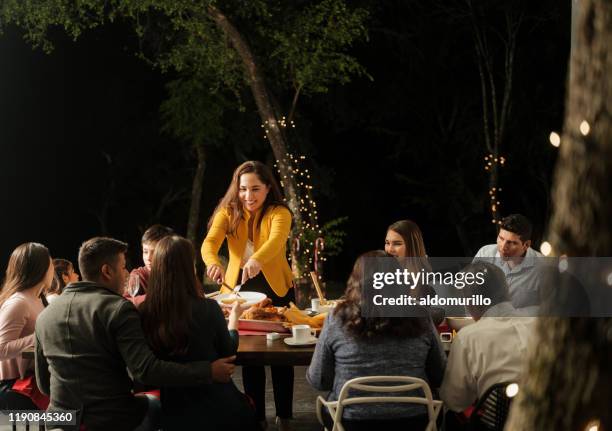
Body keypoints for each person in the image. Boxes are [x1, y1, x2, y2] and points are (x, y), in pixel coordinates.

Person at [35, 237, 237, 431]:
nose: (126, 274)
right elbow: (146, 371)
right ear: (107, 271)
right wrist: (207, 371)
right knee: (159, 406)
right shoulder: (117, 308)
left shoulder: (44, 316)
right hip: (112, 420)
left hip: (60, 422)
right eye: (123, 267)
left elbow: (44, 385)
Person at [307, 251, 447, 431]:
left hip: (350, 422)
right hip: (416, 421)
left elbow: (319, 380)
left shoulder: (336, 318)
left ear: (356, 281)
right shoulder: (421, 316)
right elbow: (440, 375)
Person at [202, 160, 294, 430]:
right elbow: (210, 243)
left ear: (267, 188)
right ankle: (257, 418)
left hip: (277, 288)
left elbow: (276, 242)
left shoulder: (280, 212)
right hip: (238, 291)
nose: (248, 196)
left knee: (281, 355)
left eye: (255, 189)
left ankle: (285, 416)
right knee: (251, 355)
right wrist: (213, 263)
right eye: (243, 189)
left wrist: (256, 260)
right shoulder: (227, 212)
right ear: (236, 188)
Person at [140, 235, 257, 430]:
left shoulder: (145, 311)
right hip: (218, 406)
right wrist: (235, 317)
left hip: (176, 412)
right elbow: (228, 352)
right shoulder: (208, 308)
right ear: (189, 268)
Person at [440, 261, 535, 417]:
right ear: (507, 290)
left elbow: (454, 400)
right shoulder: (543, 325)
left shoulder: (467, 338)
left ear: (471, 301)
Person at [0, 243, 54, 410]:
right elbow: (1, 350)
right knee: (70, 421)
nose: (53, 269)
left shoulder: (38, 299)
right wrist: (42, 334)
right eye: (50, 263)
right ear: (41, 268)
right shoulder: (18, 302)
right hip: (17, 391)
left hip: (33, 385)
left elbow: (28, 349)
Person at [474, 214, 544, 308]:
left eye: (511, 243)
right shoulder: (485, 253)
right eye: (501, 238)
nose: (503, 247)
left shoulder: (544, 267)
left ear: (526, 245)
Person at [384, 220, 445, 324]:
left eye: (397, 244)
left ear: (412, 246)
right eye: (387, 243)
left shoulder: (432, 280)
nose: (390, 249)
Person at [127, 224, 174, 296]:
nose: (148, 258)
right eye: (145, 252)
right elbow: (126, 301)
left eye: (155, 252)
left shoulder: (179, 272)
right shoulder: (139, 276)